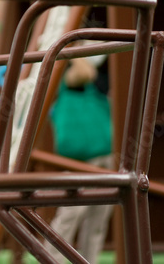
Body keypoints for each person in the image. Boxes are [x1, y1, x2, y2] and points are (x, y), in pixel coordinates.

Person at [48, 57, 114, 262]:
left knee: (98, 218)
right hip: (78, 160)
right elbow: (87, 73)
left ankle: (89, 260)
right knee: (71, 214)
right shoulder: (69, 74)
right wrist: (75, 51)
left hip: (104, 154)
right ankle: (51, 258)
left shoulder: (103, 74)